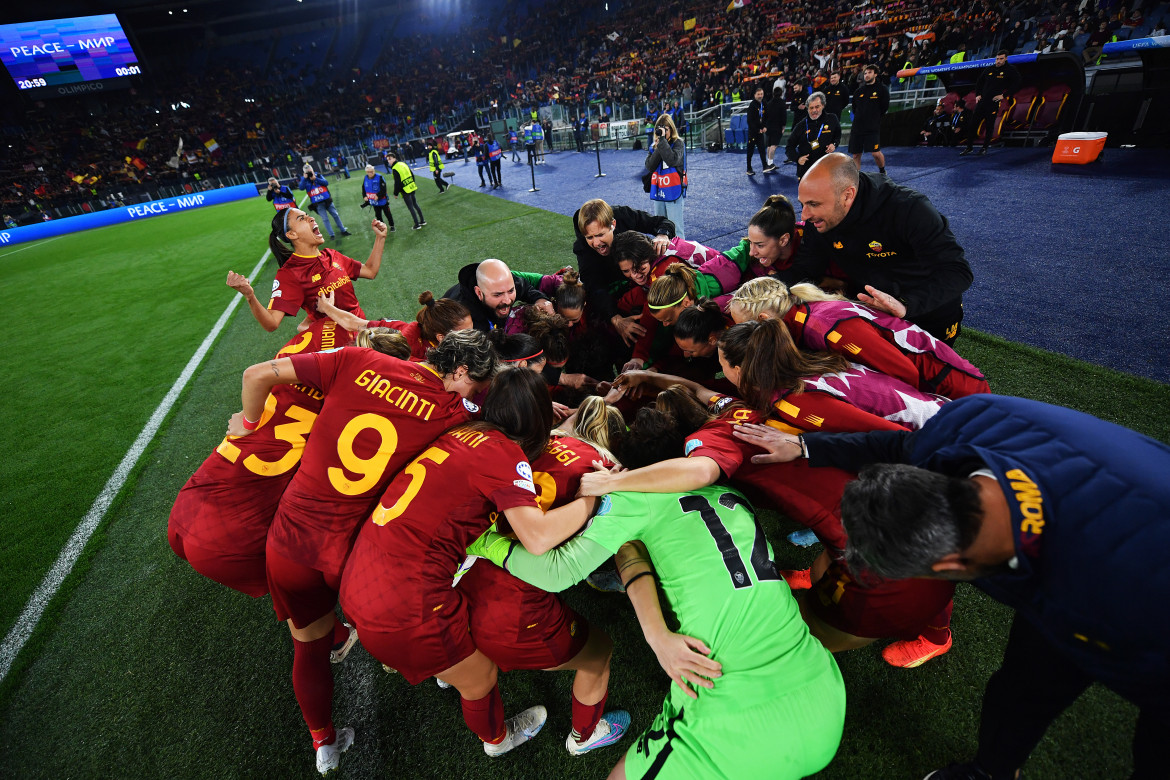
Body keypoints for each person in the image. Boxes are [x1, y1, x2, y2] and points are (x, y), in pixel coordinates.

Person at [737, 394, 1170, 780]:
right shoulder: (963, 425)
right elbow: (904, 448)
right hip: (1084, 557)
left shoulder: (1112, 597)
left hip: (1139, 599)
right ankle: (992, 770)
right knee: (1023, 685)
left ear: (950, 565)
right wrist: (807, 446)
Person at [467, 419, 847, 779]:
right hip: (821, 686)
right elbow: (636, 553)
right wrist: (654, 629)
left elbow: (555, 572)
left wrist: (485, 540)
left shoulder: (633, 500)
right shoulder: (727, 490)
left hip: (731, 709)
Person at [230, 329, 497, 775]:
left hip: (292, 539)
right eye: (477, 384)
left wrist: (250, 423)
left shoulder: (355, 359)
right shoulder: (455, 410)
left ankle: (324, 745)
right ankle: (444, 674)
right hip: (358, 555)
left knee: (308, 647)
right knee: (421, 601)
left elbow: (256, 373)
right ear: (462, 372)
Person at [338, 369, 617, 757]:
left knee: (459, 646)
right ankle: (498, 741)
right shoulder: (506, 453)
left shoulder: (461, 431)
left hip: (362, 574)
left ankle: (444, 670)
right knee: (481, 675)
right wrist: (592, 496)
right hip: (407, 602)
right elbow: (536, 539)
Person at [782, 153, 972, 343]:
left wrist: (905, 305)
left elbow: (957, 271)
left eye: (813, 204)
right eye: (802, 204)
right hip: (874, 315)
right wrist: (759, 289)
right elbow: (806, 269)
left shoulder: (908, 209)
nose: (805, 215)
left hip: (927, 316)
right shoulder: (819, 220)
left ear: (848, 195)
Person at [728, 276, 989, 399]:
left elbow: (905, 373)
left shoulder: (826, 327)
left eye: (744, 328)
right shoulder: (804, 315)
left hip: (958, 390)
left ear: (763, 320)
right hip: (943, 382)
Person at [226, 208, 386, 333]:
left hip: (363, 333)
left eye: (308, 215)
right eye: (302, 218)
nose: (312, 218)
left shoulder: (332, 255)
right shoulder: (290, 274)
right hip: (337, 347)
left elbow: (370, 271)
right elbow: (271, 323)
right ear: (292, 234)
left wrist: (380, 238)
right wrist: (250, 296)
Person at [572, 199, 675, 348]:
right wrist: (616, 319)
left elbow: (662, 222)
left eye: (600, 235)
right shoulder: (583, 249)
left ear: (613, 224)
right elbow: (594, 287)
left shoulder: (623, 216)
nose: (596, 243)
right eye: (590, 237)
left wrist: (663, 235)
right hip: (612, 289)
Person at [316, 289, 472, 360]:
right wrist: (324, 307)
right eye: (467, 334)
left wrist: (327, 308)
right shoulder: (407, 353)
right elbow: (355, 324)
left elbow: (354, 323)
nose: (473, 336)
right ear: (441, 337)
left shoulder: (399, 328)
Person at [443, 258, 555, 333]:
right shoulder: (460, 314)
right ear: (479, 293)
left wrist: (540, 299)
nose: (507, 300)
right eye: (498, 295)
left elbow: (526, 289)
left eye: (511, 291)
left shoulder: (504, 283)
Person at [962, 51, 1021, 156]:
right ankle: (969, 147)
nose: (998, 61)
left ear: (1006, 58)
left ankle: (984, 148)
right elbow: (979, 81)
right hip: (982, 101)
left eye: (1001, 59)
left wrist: (1004, 95)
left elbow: (1017, 83)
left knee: (989, 126)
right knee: (972, 124)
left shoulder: (1010, 70)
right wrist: (978, 94)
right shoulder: (989, 68)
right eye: (997, 59)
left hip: (993, 102)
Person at [644, 114, 687, 239]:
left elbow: (672, 160)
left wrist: (662, 142)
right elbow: (650, 166)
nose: (662, 132)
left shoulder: (678, 143)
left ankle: (680, 255)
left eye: (665, 129)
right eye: (659, 129)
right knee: (661, 227)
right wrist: (659, 145)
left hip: (673, 190)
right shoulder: (655, 146)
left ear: (672, 129)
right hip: (659, 191)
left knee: (676, 228)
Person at [786, 92, 842, 180]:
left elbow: (837, 135)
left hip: (826, 167)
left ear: (823, 105)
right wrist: (797, 159)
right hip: (806, 170)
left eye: (817, 107)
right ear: (807, 109)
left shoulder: (832, 119)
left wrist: (834, 144)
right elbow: (789, 147)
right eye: (811, 108)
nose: (814, 110)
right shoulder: (801, 125)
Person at [849, 64, 889, 174]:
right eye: (865, 73)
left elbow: (884, 107)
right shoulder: (859, 91)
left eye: (869, 72)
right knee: (856, 154)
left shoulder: (882, 89)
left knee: (875, 153)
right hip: (857, 127)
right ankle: (856, 177)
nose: (866, 75)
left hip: (872, 127)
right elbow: (854, 108)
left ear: (875, 74)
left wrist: (873, 118)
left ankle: (882, 171)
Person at [297, 164, 350, 240]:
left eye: (310, 171)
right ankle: (332, 235)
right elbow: (301, 188)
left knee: (335, 215)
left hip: (327, 200)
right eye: (307, 172)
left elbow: (326, 183)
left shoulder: (318, 175)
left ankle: (343, 230)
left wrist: (316, 179)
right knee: (325, 219)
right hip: (318, 204)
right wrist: (305, 179)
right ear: (304, 173)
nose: (309, 173)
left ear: (312, 169)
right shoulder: (305, 180)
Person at [386, 149, 425, 230]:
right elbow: (412, 174)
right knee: (415, 204)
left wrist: (395, 193)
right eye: (387, 160)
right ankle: (422, 221)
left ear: (394, 158)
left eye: (389, 159)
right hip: (411, 186)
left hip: (405, 190)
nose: (388, 161)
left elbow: (397, 183)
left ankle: (417, 224)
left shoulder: (395, 168)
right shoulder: (403, 164)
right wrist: (412, 183)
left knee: (411, 207)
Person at [745, 86, 773, 175]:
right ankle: (749, 168)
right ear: (754, 95)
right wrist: (757, 130)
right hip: (753, 133)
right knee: (750, 151)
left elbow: (767, 116)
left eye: (761, 94)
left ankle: (765, 166)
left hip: (761, 132)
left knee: (762, 149)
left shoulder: (764, 103)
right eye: (758, 94)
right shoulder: (752, 105)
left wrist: (765, 126)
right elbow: (749, 121)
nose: (760, 96)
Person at [359, 164, 394, 232]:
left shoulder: (379, 177)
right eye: (369, 172)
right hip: (374, 202)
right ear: (366, 172)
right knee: (378, 216)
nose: (371, 173)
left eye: (372, 171)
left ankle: (392, 226)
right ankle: (383, 227)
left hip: (383, 200)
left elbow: (384, 189)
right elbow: (363, 188)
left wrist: (378, 196)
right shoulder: (365, 178)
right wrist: (364, 196)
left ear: (374, 170)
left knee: (387, 213)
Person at [765, 87, 789, 168]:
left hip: (769, 126)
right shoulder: (782, 103)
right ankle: (770, 163)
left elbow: (766, 115)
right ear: (781, 93)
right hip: (776, 127)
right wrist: (783, 126)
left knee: (769, 145)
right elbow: (784, 116)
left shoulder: (769, 103)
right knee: (773, 145)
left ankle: (768, 162)